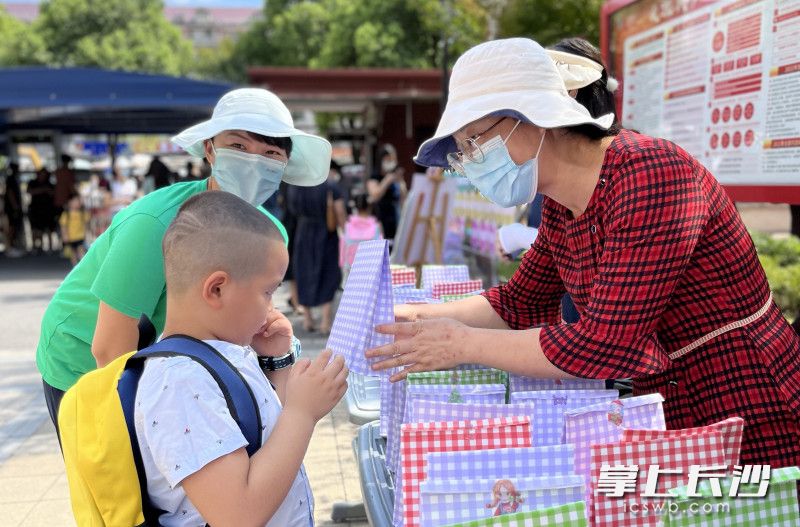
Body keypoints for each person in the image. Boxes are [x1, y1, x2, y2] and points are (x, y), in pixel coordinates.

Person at [367, 38, 800, 471]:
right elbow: (519, 303)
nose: (472, 162)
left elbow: (604, 343)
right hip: (672, 405)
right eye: (464, 154)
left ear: (533, 118)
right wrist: (415, 317)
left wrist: (462, 344)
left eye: (475, 143)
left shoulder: (652, 174)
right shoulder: (561, 204)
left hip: (749, 398)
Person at [36, 87, 332, 434]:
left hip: (163, 358)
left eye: (269, 153)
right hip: (82, 359)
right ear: (209, 150)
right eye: (238, 147)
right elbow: (109, 348)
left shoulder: (271, 236)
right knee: (122, 479)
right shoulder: (157, 222)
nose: (254, 162)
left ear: (284, 165)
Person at [133, 191, 347, 526]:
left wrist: (277, 364)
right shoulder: (179, 382)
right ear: (216, 289)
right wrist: (303, 413)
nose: (271, 305)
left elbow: (261, 437)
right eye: (267, 291)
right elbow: (237, 514)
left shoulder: (221, 352)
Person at [287, 161, 347, 334]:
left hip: (303, 232)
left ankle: (307, 319)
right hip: (326, 234)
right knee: (328, 273)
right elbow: (340, 212)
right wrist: (346, 233)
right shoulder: (331, 186)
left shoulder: (295, 187)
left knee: (303, 273)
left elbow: (292, 210)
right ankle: (326, 321)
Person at [367, 144, 406, 241]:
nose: (390, 162)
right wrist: (387, 180)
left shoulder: (396, 178)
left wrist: (401, 182)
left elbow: (404, 198)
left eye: (392, 160)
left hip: (396, 219)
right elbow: (375, 195)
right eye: (388, 159)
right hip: (381, 220)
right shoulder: (374, 177)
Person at [340, 192, 382, 277]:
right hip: (370, 273)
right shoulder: (376, 227)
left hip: (350, 273)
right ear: (370, 206)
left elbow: (342, 254)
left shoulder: (347, 226)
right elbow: (381, 252)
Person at [27, 168, 58, 253]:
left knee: (49, 229)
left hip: (48, 209)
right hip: (35, 209)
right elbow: (29, 191)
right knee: (36, 229)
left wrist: (47, 190)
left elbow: (54, 193)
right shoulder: (33, 182)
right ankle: (36, 247)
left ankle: (50, 247)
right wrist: (42, 190)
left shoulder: (49, 184)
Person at [59, 194, 90, 266]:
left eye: (78, 201)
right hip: (71, 237)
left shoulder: (83, 213)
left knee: (81, 250)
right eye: (75, 201)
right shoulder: (66, 214)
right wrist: (64, 235)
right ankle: (75, 266)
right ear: (69, 203)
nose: (77, 203)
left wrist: (86, 233)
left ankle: (82, 265)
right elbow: (63, 226)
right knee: (72, 253)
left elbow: (86, 223)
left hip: (80, 236)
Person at [2, 162, 25, 257]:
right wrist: (15, 206)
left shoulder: (13, 178)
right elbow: (10, 193)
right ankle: (10, 248)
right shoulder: (10, 178)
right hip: (11, 208)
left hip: (12, 207)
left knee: (13, 227)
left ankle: (12, 246)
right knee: (11, 227)